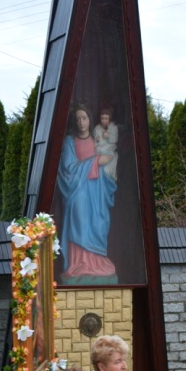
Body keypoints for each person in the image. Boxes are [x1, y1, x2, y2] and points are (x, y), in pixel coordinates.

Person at [57, 103, 118, 284]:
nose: (81, 122)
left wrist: (107, 165)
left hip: (97, 192)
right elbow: (68, 169)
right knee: (81, 225)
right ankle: (79, 265)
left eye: (84, 118)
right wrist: (95, 162)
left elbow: (109, 161)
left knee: (98, 224)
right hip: (78, 193)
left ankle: (96, 264)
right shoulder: (70, 142)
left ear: (90, 119)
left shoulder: (97, 140)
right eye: (78, 119)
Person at [93, 108, 119, 183]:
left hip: (109, 146)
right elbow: (95, 137)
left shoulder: (113, 127)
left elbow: (115, 139)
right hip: (100, 146)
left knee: (109, 157)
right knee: (99, 150)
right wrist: (97, 138)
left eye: (106, 118)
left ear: (109, 119)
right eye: (102, 118)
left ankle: (108, 175)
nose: (104, 120)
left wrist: (109, 136)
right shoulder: (97, 127)